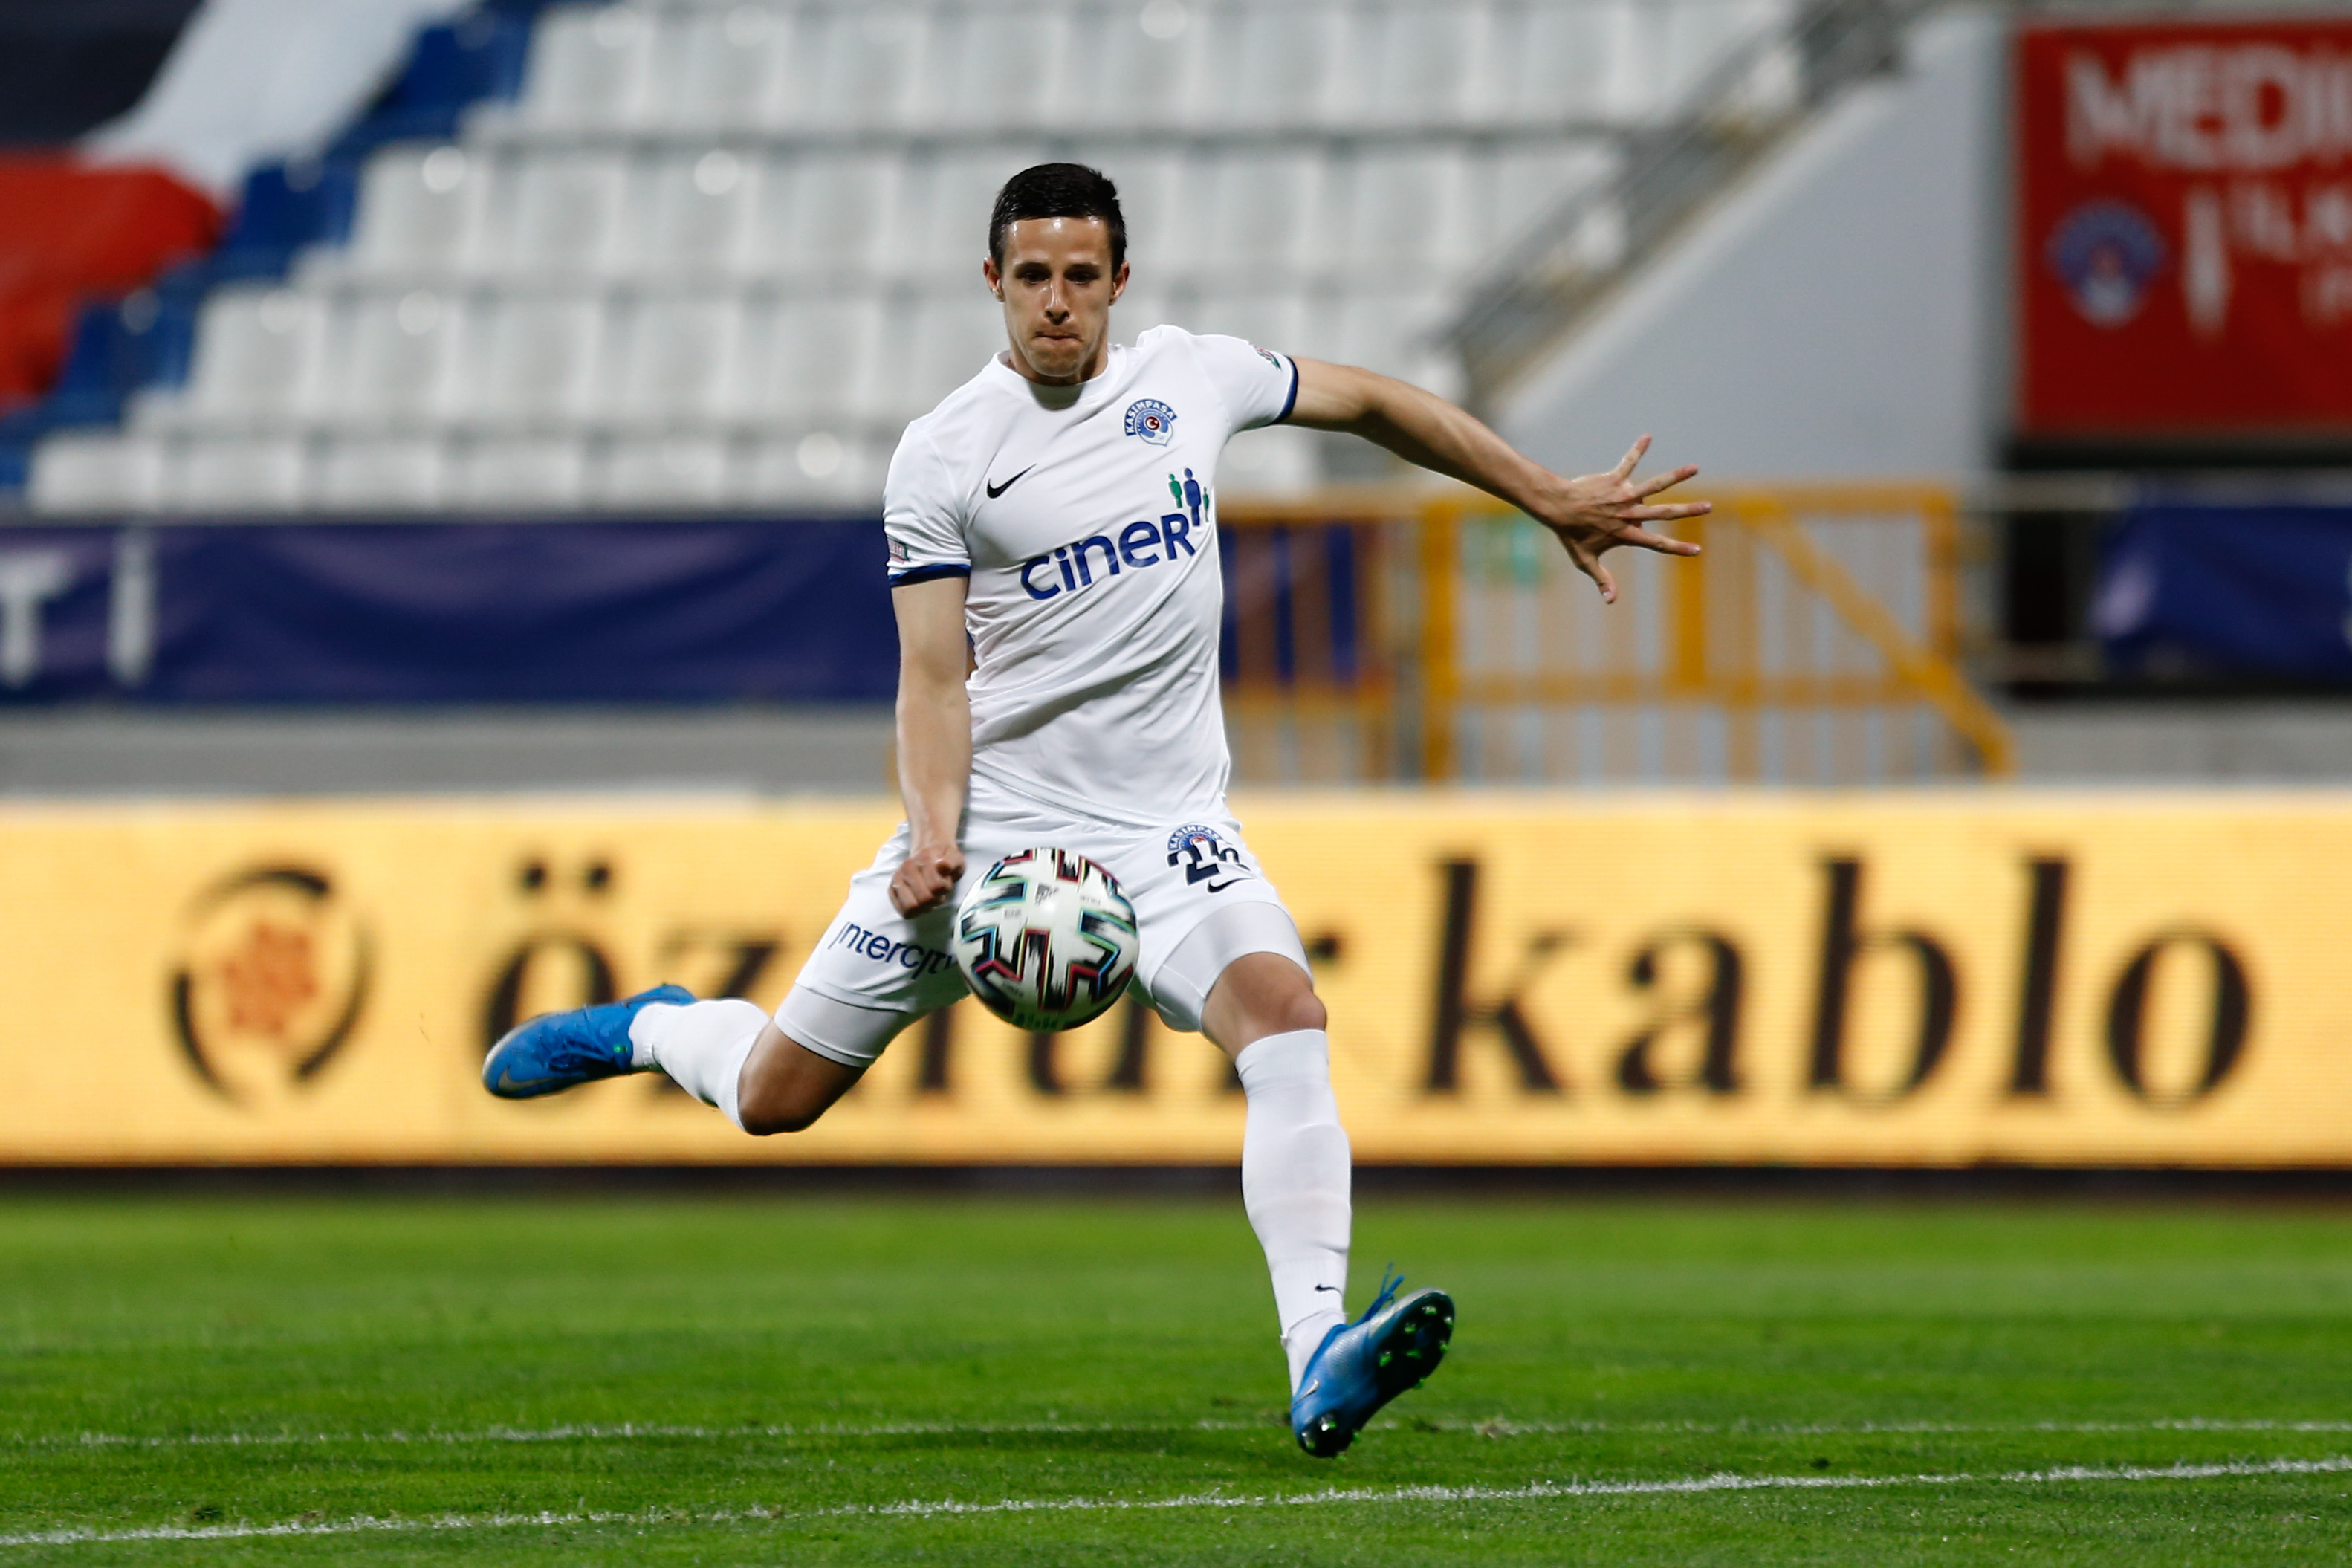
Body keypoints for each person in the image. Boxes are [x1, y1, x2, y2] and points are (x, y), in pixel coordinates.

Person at [482, 162, 1707, 1458]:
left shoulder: (1190, 379)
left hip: (1167, 832)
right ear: (993, 282)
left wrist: (1540, 491)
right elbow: (932, 675)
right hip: (988, 834)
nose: (1056, 301)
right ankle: (659, 1027)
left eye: (1080, 275)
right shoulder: (945, 452)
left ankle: (1317, 1349)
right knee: (776, 1094)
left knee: (1285, 1016)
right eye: (1032, 277)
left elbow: (1372, 400)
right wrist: (934, 831)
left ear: (1119, 280)